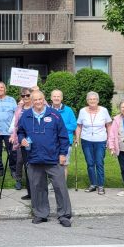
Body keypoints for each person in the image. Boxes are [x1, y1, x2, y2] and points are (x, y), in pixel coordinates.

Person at [17, 90, 72, 227]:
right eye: (35, 100)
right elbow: (20, 131)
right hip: (34, 158)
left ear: (44, 99)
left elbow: (63, 136)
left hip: (53, 158)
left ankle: (64, 215)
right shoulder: (26, 116)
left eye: (40, 99)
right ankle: (40, 214)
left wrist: (63, 154)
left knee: (60, 187)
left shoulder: (54, 115)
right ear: (31, 100)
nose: (38, 102)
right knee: (38, 188)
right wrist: (22, 139)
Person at [75, 91, 112, 194]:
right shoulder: (82, 111)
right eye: (90, 99)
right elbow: (79, 126)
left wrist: (110, 139)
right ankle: (93, 184)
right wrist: (77, 138)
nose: (92, 101)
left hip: (100, 140)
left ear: (98, 100)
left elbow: (109, 125)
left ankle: (100, 185)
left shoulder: (104, 110)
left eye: (94, 99)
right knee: (90, 163)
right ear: (87, 101)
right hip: (86, 141)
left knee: (99, 163)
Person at [9, 88, 35, 199]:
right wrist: (12, 135)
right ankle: (29, 191)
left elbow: (45, 105)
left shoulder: (37, 107)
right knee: (22, 162)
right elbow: (15, 124)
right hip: (22, 140)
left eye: (28, 95)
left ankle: (36, 192)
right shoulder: (19, 109)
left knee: (34, 166)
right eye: (23, 96)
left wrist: (38, 90)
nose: (25, 98)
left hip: (35, 141)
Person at [0, 82, 17, 180]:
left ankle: (14, 169)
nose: (0, 89)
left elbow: (16, 114)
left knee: (12, 151)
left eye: (2, 87)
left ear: (5, 89)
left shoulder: (11, 100)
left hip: (9, 130)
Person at [49, 90, 77, 183]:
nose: (56, 98)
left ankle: (62, 185)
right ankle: (53, 184)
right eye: (54, 96)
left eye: (58, 96)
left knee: (63, 164)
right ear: (51, 98)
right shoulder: (47, 110)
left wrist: (60, 127)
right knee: (51, 165)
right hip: (51, 142)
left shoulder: (68, 110)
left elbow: (73, 125)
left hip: (65, 142)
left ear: (62, 98)